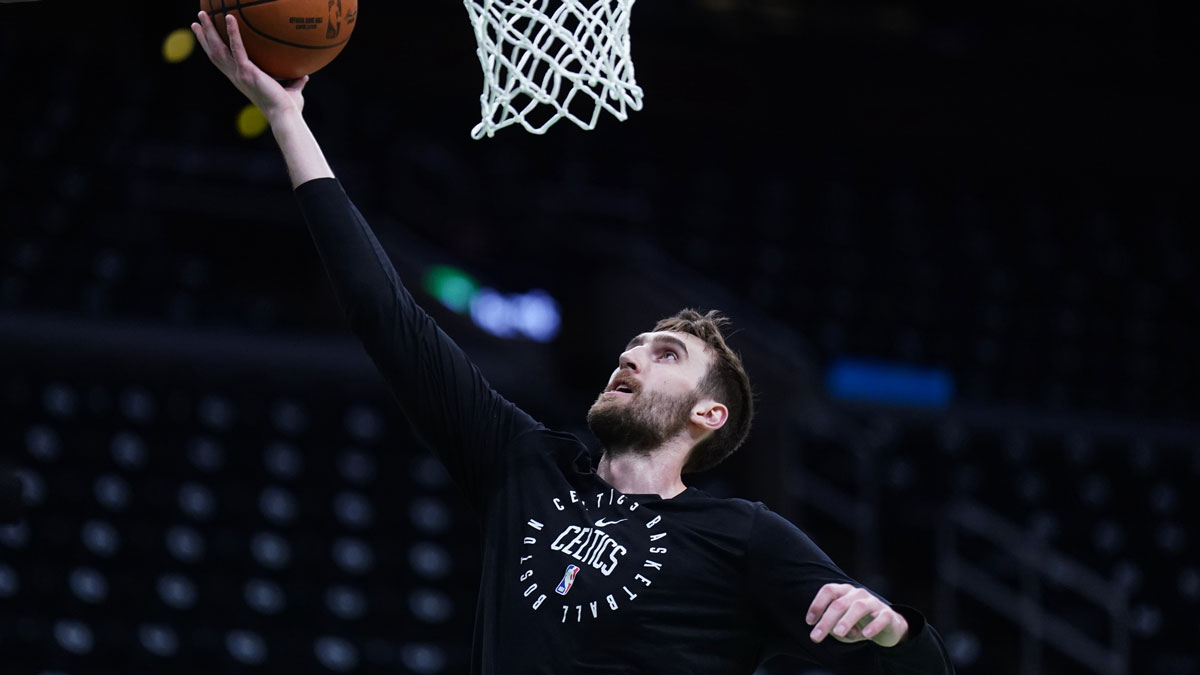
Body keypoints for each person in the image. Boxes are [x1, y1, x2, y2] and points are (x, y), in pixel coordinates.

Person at [191, 11, 955, 674]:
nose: (631, 354)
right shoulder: (524, 462)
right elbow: (383, 311)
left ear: (709, 415)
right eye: (635, 343)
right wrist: (288, 120)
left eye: (665, 355)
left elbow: (915, 674)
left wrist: (889, 627)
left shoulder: (744, 535)